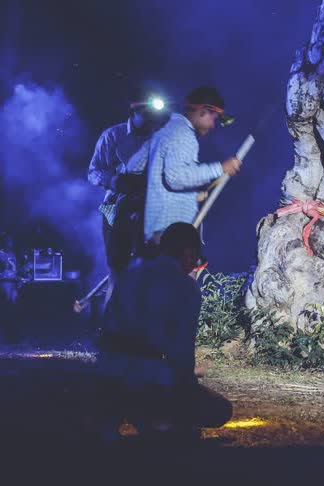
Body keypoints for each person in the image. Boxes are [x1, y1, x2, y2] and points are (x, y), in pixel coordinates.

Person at [97, 222, 232, 437]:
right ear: (188, 254)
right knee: (220, 409)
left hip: (108, 374)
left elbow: (107, 326)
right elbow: (182, 352)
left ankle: (119, 417)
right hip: (149, 380)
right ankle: (161, 423)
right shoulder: (185, 287)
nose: (194, 267)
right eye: (195, 260)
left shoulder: (130, 275)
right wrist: (188, 385)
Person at [124, 86, 241, 245]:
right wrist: (220, 168)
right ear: (202, 111)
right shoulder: (183, 133)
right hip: (172, 234)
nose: (213, 126)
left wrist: (191, 194)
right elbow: (175, 177)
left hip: (156, 232)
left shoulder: (163, 131)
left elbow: (133, 166)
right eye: (214, 119)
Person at [87, 88, 168, 301]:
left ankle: (143, 317)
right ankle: (112, 318)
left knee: (149, 268)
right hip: (115, 209)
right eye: (147, 114)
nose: (151, 120)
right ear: (134, 111)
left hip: (148, 211)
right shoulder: (113, 136)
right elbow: (93, 172)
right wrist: (114, 181)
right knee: (117, 270)